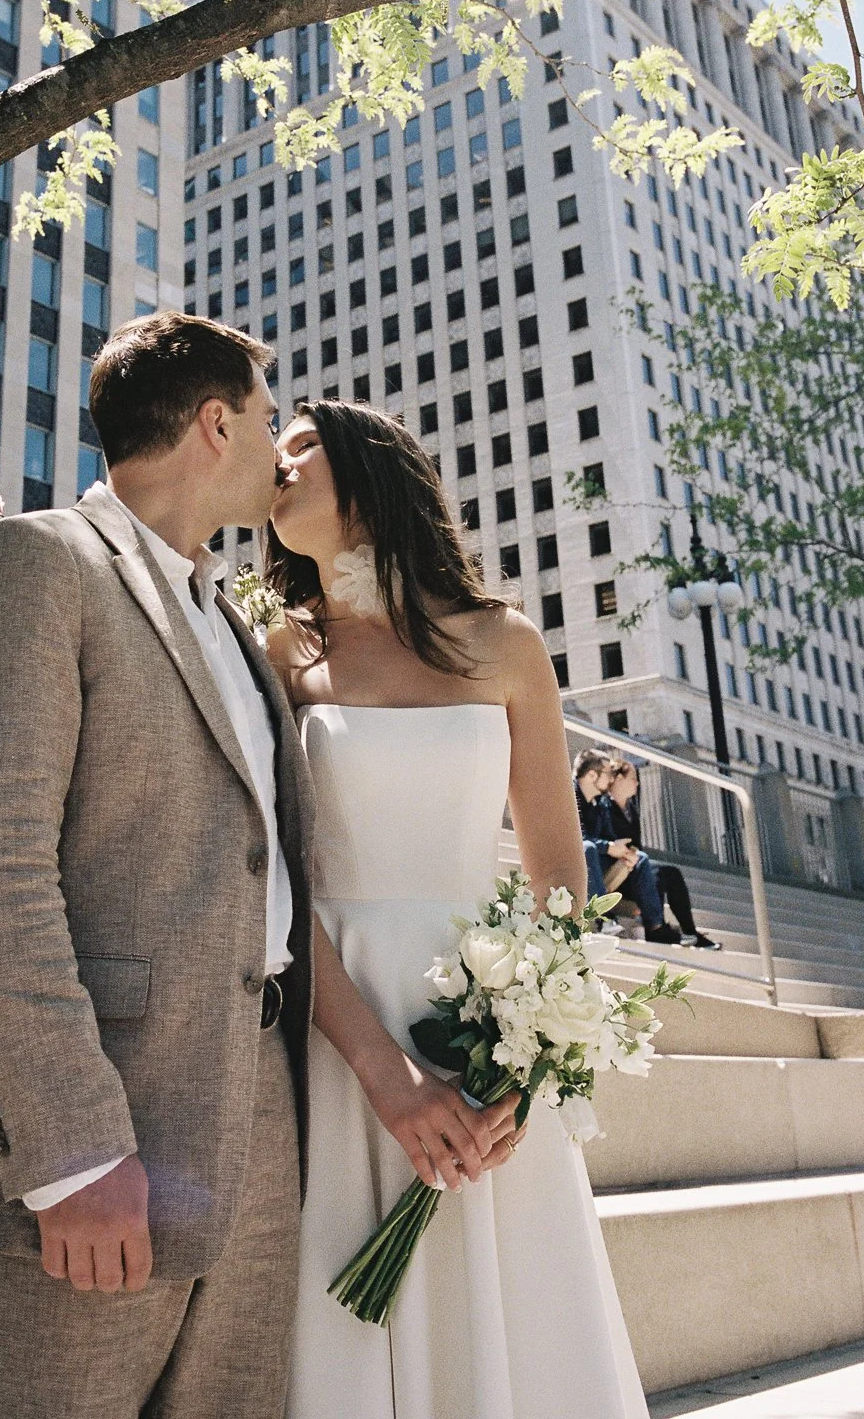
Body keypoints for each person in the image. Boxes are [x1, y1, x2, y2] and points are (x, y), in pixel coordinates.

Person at [0, 312, 315, 1419]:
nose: (280, 451)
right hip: (89, 1135)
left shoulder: (228, 622)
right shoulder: (34, 564)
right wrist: (75, 1151)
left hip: (257, 1119)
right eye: (269, 423)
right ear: (216, 424)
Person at [266, 400, 648, 1419]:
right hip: (332, 1018)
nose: (277, 460)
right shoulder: (279, 654)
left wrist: (532, 1065)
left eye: (301, 444)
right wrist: (382, 1068)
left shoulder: (504, 643)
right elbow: (276, 885)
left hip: (485, 1020)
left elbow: (558, 885)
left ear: (370, 471)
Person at [606, 758, 722, 950]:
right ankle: (655, 930)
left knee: (671, 873)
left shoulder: (631, 810)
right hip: (616, 873)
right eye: (632, 778)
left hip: (634, 867)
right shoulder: (605, 808)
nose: (637, 783)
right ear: (617, 779)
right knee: (656, 875)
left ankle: (690, 931)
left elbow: (637, 846)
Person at [573, 747, 683, 947]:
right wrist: (608, 847)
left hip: (596, 865)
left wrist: (624, 852)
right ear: (591, 774)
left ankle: (656, 926)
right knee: (588, 847)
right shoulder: (569, 796)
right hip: (572, 862)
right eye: (607, 774)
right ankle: (602, 917)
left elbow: (610, 839)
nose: (611, 779)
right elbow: (575, 839)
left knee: (639, 858)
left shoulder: (601, 803)